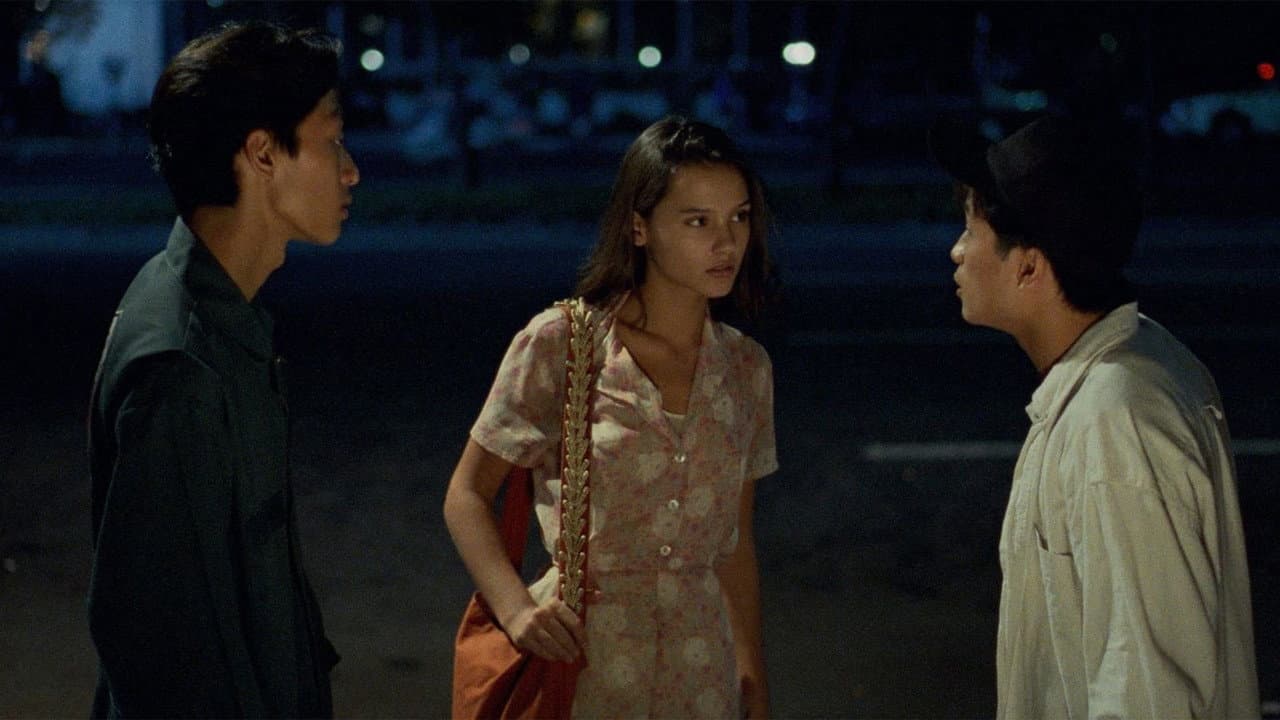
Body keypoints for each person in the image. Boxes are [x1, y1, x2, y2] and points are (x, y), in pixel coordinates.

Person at [444, 116, 777, 719]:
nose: (726, 242)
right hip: (584, 671)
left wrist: (751, 673)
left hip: (701, 677)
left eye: (739, 217)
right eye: (697, 221)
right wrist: (516, 610)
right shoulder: (563, 345)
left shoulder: (746, 368)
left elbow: (734, 545)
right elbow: (466, 494)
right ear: (639, 226)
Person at [929, 115, 1259, 718]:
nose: (956, 249)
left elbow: (1148, 694)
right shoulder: (1128, 367)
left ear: (1029, 267)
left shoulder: (1116, 421)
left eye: (971, 229)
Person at [87, 21, 359, 718]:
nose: (350, 169)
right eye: (332, 141)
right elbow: (161, 648)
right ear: (262, 154)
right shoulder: (183, 367)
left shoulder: (214, 314)